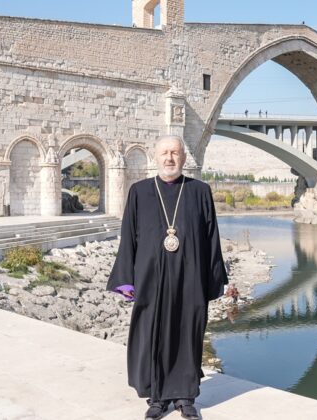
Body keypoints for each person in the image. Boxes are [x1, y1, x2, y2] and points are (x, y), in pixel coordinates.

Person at [107, 134, 228, 420]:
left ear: (183, 157)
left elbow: (212, 238)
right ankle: (157, 399)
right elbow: (129, 238)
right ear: (156, 157)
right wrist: (127, 278)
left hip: (191, 279)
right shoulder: (139, 191)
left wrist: (215, 278)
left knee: (188, 334)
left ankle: (186, 397)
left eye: (175, 153)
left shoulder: (199, 191)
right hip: (151, 279)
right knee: (153, 335)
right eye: (164, 153)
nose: (170, 158)